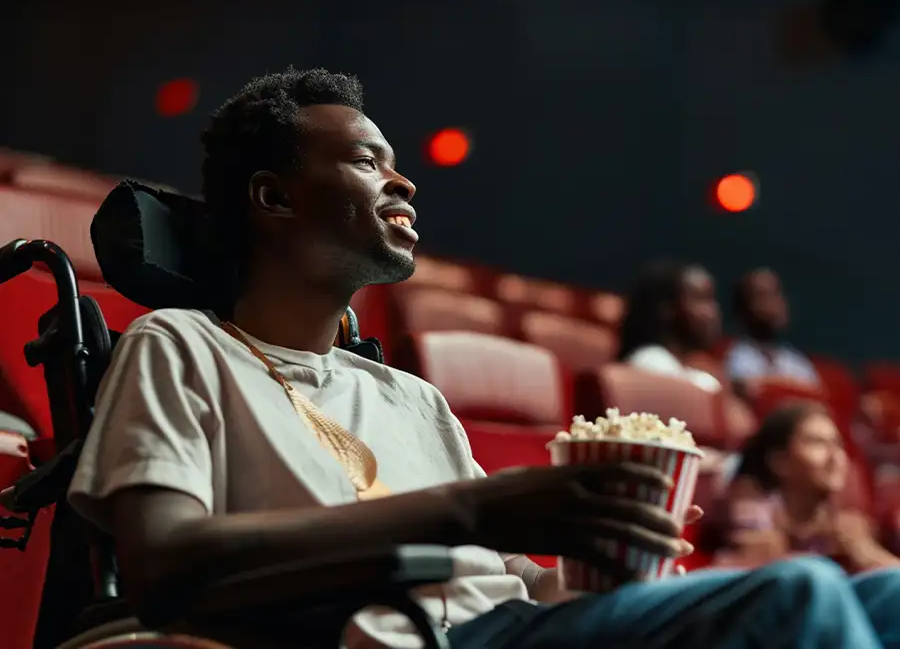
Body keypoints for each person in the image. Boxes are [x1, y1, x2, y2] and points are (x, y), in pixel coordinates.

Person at [68, 68, 900, 649]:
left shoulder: (412, 399)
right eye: (367, 162)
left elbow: (520, 581)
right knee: (804, 594)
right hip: (406, 640)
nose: (406, 185)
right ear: (273, 198)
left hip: (517, 625)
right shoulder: (180, 347)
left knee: (889, 594)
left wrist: (608, 554)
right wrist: (474, 511)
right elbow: (161, 565)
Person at [706, 401, 899, 575]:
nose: (835, 458)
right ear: (779, 462)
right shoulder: (751, 511)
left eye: (838, 445)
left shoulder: (844, 525)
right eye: (817, 443)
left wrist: (866, 554)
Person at [617, 261, 723, 393]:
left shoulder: (690, 372)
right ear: (666, 309)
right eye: (701, 299)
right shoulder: (648, 365)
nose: (713, 312)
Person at [725, 268, 821, 387]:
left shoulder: (796, 362)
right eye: (763, 297)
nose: (776, 304)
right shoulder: (735, 357)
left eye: (777, 294)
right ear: (743, 309)